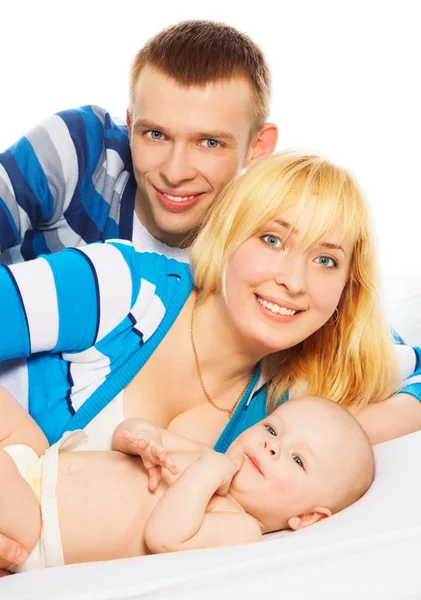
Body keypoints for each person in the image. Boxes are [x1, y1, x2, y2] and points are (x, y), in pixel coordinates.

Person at [0, 151, 420, 571]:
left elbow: (410, 367)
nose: (294, 280)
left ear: (347, 288)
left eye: (326, 260)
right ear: (229, 231)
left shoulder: (278, 411)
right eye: (272, 239)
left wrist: (344, 443)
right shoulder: (123, 288)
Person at [0, 386, 374, 572]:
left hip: (37, 527)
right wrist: (141, 437)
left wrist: (211, 472)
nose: (272, 446)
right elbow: (124, 436)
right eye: (273, 430)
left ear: (307, 517)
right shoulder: (203, 452)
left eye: (297, 459)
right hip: (36, 461)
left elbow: (163, 537)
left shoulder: (240, 528)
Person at [0, 20, 277, 264]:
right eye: (156, 135)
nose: (174, 173)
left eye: (210, 143)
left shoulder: (260, 256)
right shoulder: (81, 148)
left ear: (258, 147)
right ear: (130, 126)